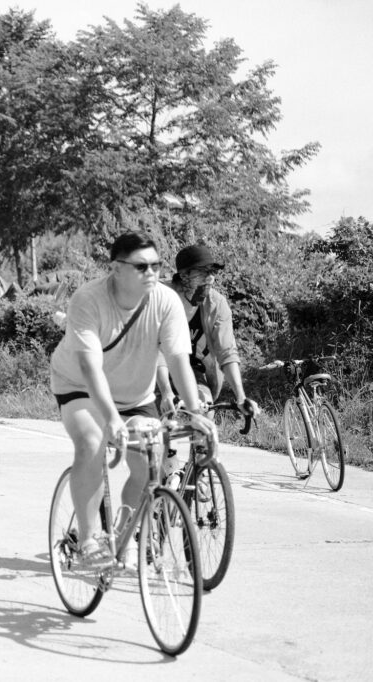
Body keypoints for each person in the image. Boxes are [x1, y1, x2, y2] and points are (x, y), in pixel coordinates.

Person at [49, 232, 216, 568]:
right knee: (92, 441)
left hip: (135, 395)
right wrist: (111, 418)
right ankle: (87, 541)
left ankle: (121, 534)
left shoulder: (166, 303)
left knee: (151, 459)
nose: (150, 273)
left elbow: (179, 361)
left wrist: (197, 415)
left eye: (156, 265)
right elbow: (89, 366)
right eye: (141, 266)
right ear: (116, 268)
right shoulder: (89, 299)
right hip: (80, 386)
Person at [155, 243, 259, 416]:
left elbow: (227, 352)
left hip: (192, 367)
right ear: (184, 275)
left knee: (206, 410)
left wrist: (241, 397)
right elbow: (154, 347)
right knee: (152, 418)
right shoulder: (162, 296)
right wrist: (166, 392)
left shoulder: (217, 304)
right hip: (153, 367)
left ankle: (201, 442)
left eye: (212, 272)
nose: (210, 278)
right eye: (203, 272)